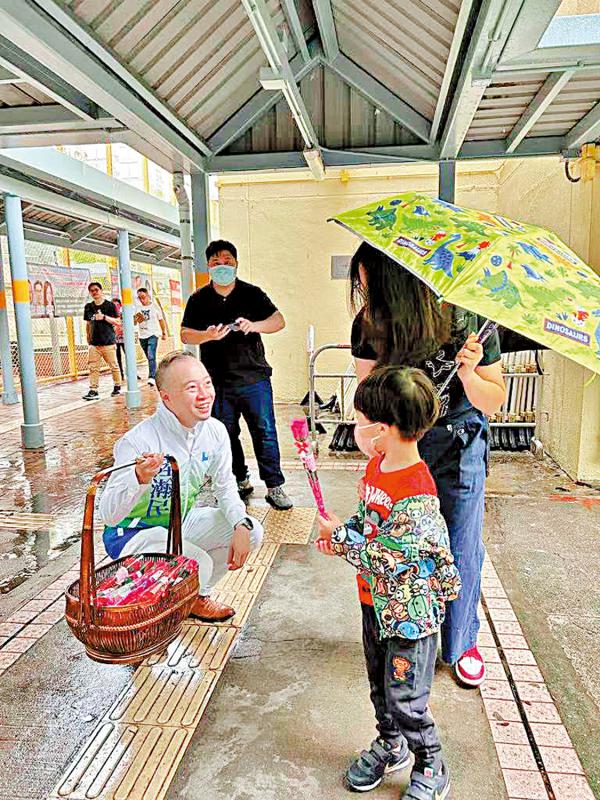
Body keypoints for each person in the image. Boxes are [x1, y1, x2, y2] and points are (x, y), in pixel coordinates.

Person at [349, 242, 505, 688]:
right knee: (395, 542)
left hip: (459, 441)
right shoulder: (369, 324)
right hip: (401, 445)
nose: (362, 292)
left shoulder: (467, 319)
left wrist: (472, 375)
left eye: (368, 281)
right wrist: (370, 437)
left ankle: (460, 643)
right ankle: (403, 630)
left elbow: (494, 401)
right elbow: (367, 398)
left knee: (458, 542)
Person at [316, 366, 460, 800]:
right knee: (380, 686)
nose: (355, 427)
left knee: (406, 698)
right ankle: (390, 743)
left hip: (409, 618)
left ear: (382, 429)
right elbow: (368, 520)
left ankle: (430, 760)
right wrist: (348, 532)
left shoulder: (418, 492)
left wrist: (340, 539)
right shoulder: (379, 465)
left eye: (360, 420)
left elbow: (394, 558)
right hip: (374, 603)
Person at [98, 351, 264, 622]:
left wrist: (240, 524)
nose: (204, 394)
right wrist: (138, 479)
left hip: (178, 524)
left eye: (206, 383)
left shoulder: (215, 431)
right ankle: (148, 589)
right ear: (167, 398)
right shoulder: (139, 440)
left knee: (252, 531)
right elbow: (108, 514)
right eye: (191, 388)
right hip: (131, 535)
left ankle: (195, 598)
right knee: (200, 565)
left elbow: (224, 487)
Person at [180, 239, 292, 511]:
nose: (222, 267)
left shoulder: (251, 294)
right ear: (208, 266)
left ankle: (275, 486)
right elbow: (184, 333)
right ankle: (240, 479)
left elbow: (278, 321)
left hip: (254, 379)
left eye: (227, 261)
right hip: (217, 381)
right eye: (216, 262)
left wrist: (254, 325)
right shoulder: (199, 299)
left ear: (236, 263)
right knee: (225, 434)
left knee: (264, 431)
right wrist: (206, 335)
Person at [82, 281, 121, 401]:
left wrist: (104, 317)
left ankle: (117, 386)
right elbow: (88, 323)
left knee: (113, 366)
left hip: (108, 342)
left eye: (96, 290)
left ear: (101, 291)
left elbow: (117, 322)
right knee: (93, 367)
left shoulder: (110, 305)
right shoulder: (89, 307)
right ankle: (93, 390)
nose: (94, 292)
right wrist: (88, 337)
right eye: (92, 290)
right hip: (94, 343)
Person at [134, 287, 167, 386]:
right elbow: (134, 322)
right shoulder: (138, 308)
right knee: (149, 357)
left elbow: (161, 320)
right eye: (139, 298)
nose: (142, 300)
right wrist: (136, 319)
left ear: (148, 296)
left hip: (153, 334)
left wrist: (164, 332)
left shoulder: (155, 307)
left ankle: (152, 377)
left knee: (151, 355)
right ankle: (154, 372)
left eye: (143, 297)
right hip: (142, 335)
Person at [112, 297, 125, 383]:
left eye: (117, 305)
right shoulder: (110, 316)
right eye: (114, 305)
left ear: (120, 305)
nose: (116, 306)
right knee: (117, 357)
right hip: (115, 339)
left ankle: (133, 374)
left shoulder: (124, 314)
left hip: (125, 339)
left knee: (129, 356)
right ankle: (121, 374)